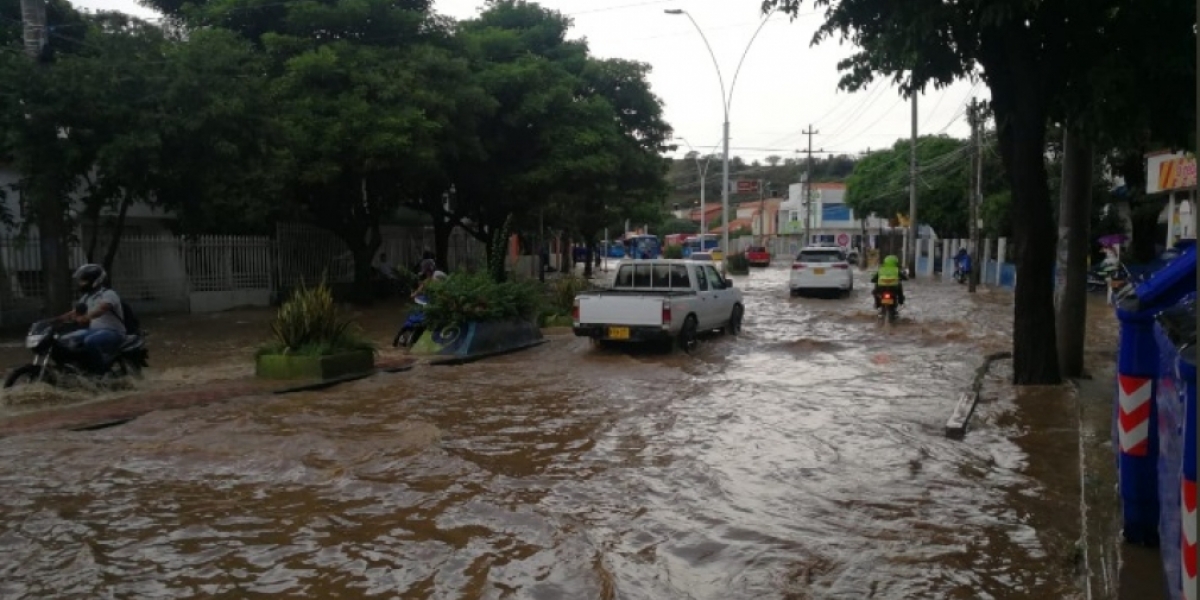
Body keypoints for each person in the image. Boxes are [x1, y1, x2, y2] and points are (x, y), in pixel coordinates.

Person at [56, 264, 126, 374]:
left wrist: (87, 317)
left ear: (94, 281)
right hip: (93, 331)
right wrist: (56, 320)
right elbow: (75, 312)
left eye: (83, 280)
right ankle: (76, 369)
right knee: (64, 339)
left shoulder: (108, 294)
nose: (80, 284)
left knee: (90, 341)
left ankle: (99, 373)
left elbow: (102, 309)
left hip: (113, 332)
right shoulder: (86, 297)